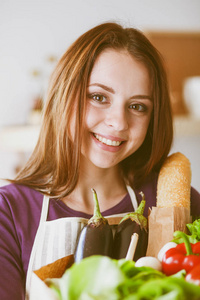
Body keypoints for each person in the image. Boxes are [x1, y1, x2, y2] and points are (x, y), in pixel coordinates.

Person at [0, 22, 199, 300]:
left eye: (137, 106)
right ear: (63, 95)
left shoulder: (173, 202)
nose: (118, 123)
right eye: (98, 97)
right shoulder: (9, 212)